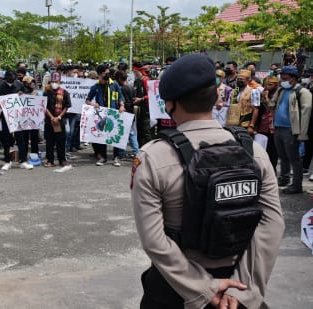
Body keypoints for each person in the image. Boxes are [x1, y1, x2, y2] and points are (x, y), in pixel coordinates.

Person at [131, 54, 285, 309]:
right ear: (216, 98)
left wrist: (203, 291)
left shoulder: (153, 157)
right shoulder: (253, 152)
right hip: (239, 286)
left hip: (174, 291)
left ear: (170, 103)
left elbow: (154, 240)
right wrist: (241, 291)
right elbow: (272, 225)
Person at [269, 66, 312, 194]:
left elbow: (306, 113)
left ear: (293, 79)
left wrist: (302, 133)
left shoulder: (303, 92)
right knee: (282, 156)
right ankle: (284, 178)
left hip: (291, 130)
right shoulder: (282, 90)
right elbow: (272, 105)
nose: (282, 80)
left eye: (285, 78)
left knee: (294, 158)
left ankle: (296, 185)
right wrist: (266, 98)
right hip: (279, 127)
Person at [85, 64, 125, 166]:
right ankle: (103, 157)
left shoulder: (114, 84)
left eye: (108, 73)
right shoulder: (96, 86)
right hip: (101, 115)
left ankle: (116, 157)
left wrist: (121, 106)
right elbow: (88, 100)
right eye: (104, 73)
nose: (107, 75)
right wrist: (93, 104)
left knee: (115, 136)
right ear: (99, 74)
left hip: (114, 113)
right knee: (102, 137)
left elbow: (120, 97)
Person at [43, 72, 71, 167]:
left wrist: (58, 117)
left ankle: (62, 160)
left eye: (56, 81)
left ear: (60, 82)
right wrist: (51, 117)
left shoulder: (65, 93)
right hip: (49, 121)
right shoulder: (46, 92)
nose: (54, 83)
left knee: (61, 142)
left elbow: (66, 107)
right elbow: (44, 106)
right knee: (49, 142)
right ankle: (50, 160)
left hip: (60, 121)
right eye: (52, 81)